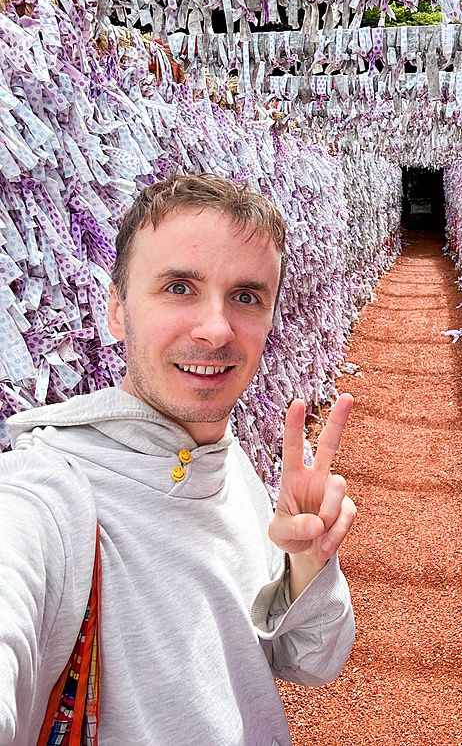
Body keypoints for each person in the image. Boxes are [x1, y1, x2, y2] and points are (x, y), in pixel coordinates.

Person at [0, 174, 357, 745]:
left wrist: (307, 566)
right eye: (178, 287)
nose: (216, 329)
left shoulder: (231, 468)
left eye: (245, 297)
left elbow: (310, 663)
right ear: (117, 310)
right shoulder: (48, 495)